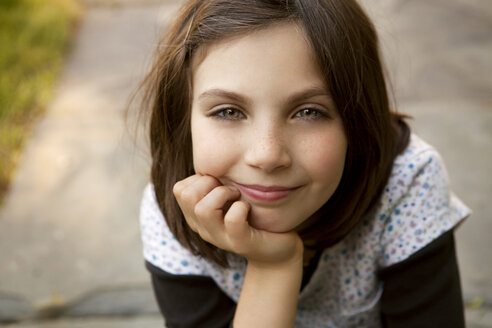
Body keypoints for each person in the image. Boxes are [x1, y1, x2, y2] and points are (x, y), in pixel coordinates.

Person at [137, 0, 471, 327]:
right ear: (182, 117)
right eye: (228, 111)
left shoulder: (408, 185)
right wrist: (273, 266)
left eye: (308, 112)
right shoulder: (173, 209)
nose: (267, 156)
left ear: (357, 122)